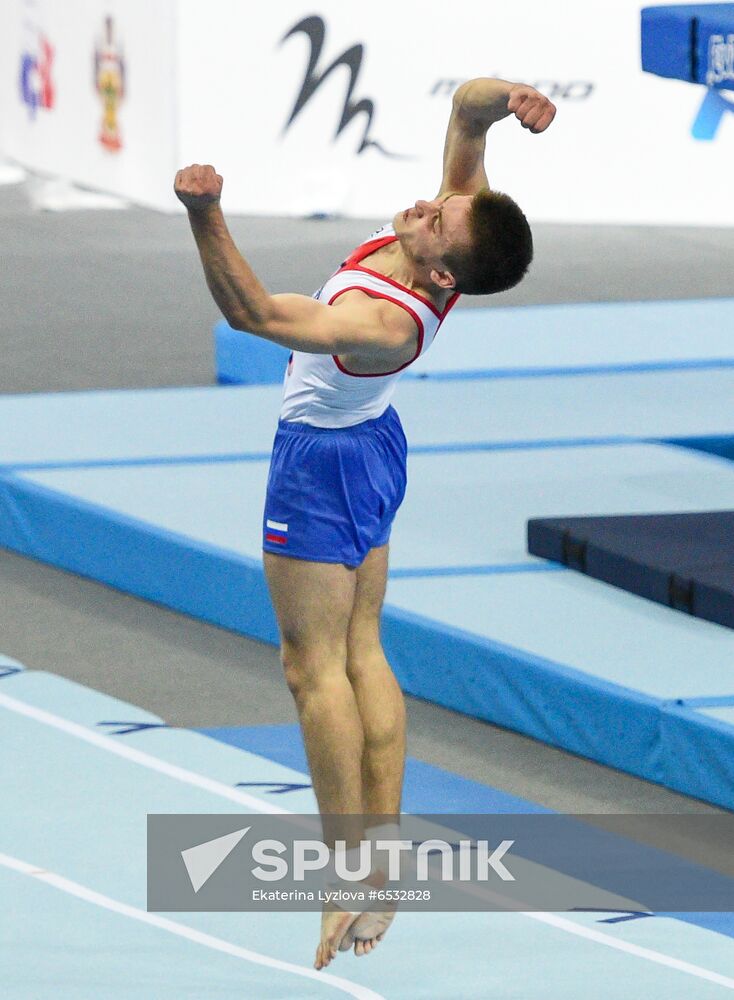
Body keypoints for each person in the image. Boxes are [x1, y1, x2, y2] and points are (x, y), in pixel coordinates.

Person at [175, 76, 556, 971]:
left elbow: (255, 314)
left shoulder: (381, 322)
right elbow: (465, 111)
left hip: (322, 467)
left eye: (435, 223)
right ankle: (382, 862)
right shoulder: (437, 239)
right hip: (376, 446)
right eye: (438, 206)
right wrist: (511, 99)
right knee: (362, 649)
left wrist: (206, 211)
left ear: (440, 273)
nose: (425, 207)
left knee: (312, 669)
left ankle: (349, 871)